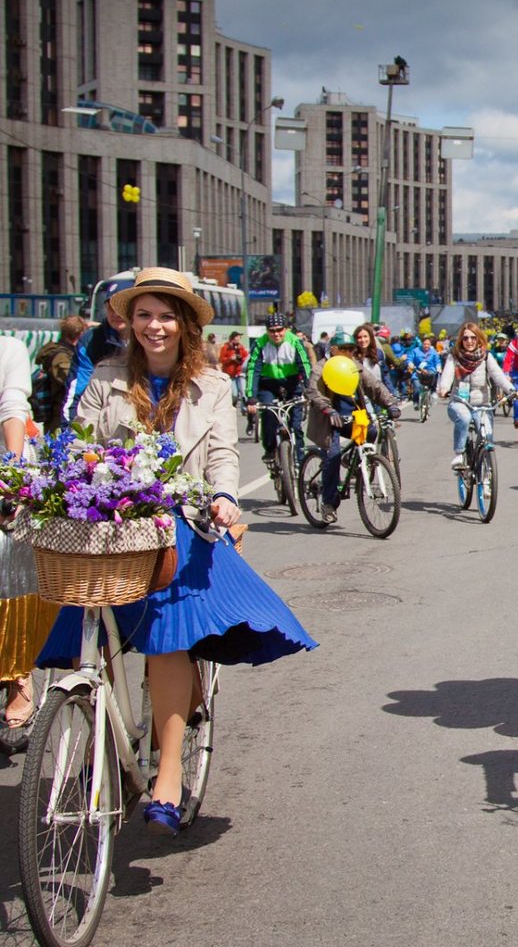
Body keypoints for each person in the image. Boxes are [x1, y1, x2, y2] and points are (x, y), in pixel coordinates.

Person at [35, 267, 315, 834]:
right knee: (92, 622)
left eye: (166, 316)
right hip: (113, 523)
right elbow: (77, 446)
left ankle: (167, 772)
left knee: (165, 634)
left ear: (184, 323)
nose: (154, 326)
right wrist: (49, 489)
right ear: (128, 321)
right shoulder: (106, 376)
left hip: (178, 524)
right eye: (143, 315)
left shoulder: (211, 384)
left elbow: (220, 454)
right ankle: (106, 722)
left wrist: (225, 498)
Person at [1, 334, 54, 751]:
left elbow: (12, 407)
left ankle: (19, 675)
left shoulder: (9, 349)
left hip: (5, 461)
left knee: (10, 568)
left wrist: (13, 478)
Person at [305, 330, 400, 523]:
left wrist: (390, 403)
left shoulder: (354, 366)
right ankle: (329, 503)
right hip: (329, 420)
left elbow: (374, 385)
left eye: (351, 349)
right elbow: (313, 391)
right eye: (344, 349)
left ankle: (353, 458)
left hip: (352, 417)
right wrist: (328, 410)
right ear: (333, 349)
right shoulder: (321, 368)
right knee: (332, 455)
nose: (349, 352)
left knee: (373, 430)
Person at [437, 322, 512, 470]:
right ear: (461, 340)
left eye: (473, 337)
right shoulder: (454, 356)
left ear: (478, 339)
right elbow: (447, 374)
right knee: (464, 418)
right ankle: (459, 453)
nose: (469, 341)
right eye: (466, 338)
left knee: (487, 435)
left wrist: (512, 390)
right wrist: (444, 388)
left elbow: (497, 375)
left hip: (482, 403)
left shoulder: (486, 356)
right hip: (459, 402)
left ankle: (487, 471)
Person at [245, 311, 313, 465]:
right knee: (269, 416)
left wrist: (310, 390)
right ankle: (270, 450)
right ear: (267, 331)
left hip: (291, 384)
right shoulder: (260, 343)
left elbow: (305, 366)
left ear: (286, 329)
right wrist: (251, 397)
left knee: (296, 426)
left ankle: (300, 461)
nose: (276, 334)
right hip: (268, 385)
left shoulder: (295, 342)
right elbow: (252, 370)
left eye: (279, 330)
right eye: (272, 331)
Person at [63, 303, 129, 423]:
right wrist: (69, 431)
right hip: (102, 421)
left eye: (120, 307)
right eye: (110, 308)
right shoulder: (91, 340)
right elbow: (77, 390)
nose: (115, 314)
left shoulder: (150, 336)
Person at [29, 314, 88, 433]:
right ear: (80, 334)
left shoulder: (64, 352)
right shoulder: (60, 356)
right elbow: (71, 379)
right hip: (59, 417)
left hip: (61, 414)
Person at [219, 331, 249, 410]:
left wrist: (240, 359)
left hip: (239, 372)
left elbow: (246, 358)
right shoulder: (226, 347)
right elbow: (221, 359)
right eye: (238, 337)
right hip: (230, 374)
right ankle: (232, 406)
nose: (239, 339)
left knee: (243, 392)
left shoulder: (240, 347)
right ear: (233, 338)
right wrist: (230, 359)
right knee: (234, 394)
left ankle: (244, 409)